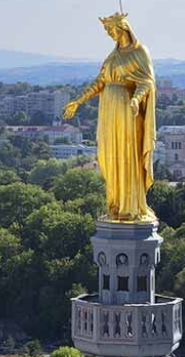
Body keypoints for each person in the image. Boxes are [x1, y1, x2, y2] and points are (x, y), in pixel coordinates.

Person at [62, 13, 157, 222]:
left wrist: (135, 100)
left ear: (122, 28)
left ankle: (130, 206)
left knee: (126, 153)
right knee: (109, 154)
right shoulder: (112, 57)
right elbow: (100, 82)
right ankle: (115, 203)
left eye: (111, 30)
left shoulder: (140, 52)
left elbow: (147, 82)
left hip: (126, 110)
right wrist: (78, 101)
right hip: (108, 111)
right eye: (108, 32)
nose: (110, 34)